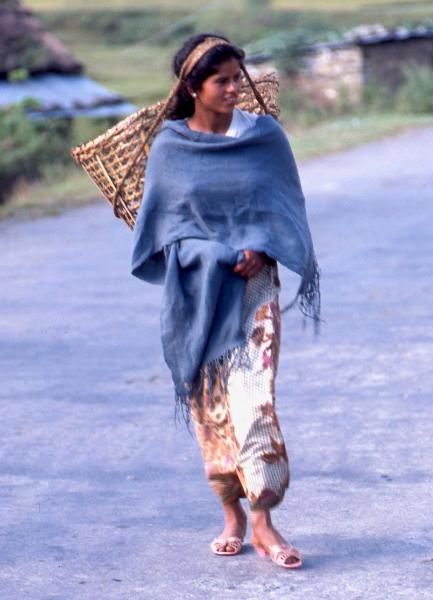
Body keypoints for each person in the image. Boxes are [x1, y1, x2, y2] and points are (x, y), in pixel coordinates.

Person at [131, 33, 320, 569]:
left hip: (256, 289)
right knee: (211, 411)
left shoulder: (264, 136)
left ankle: (263, 520)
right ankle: (231, 515)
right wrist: (212, 253)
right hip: (197, 294)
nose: (238, 87)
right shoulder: (170, 147)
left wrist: (263, 247)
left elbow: (286, 206)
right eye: (224, 80)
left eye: (240, 76)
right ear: (193, 88)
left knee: (255, 399)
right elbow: (166, 230)